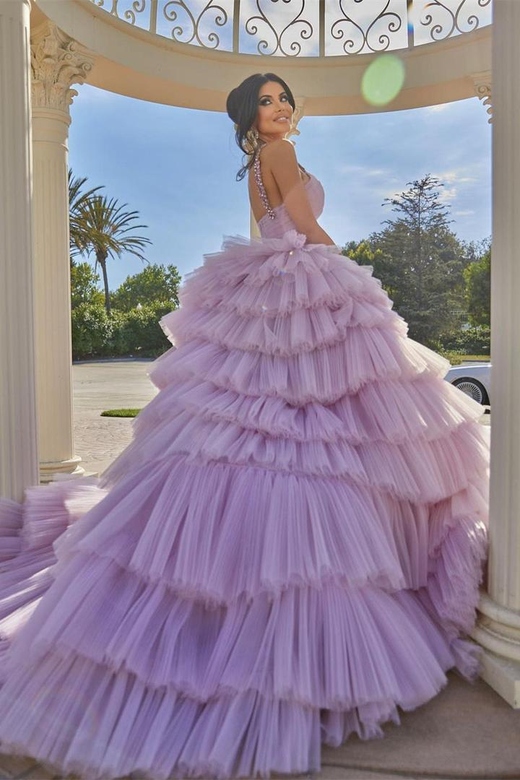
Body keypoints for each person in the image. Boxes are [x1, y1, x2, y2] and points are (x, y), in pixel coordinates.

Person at [0, 72, 488, 779]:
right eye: (266, 101)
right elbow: (304, 225)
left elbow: (272, 223)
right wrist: (346, 265)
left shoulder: (257, 159)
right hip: (301, 276)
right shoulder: (281, 155)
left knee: (268, 420)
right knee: (320, 421)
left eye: (284, 97)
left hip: (267, 281)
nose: (280, 107)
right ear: (249, 115)